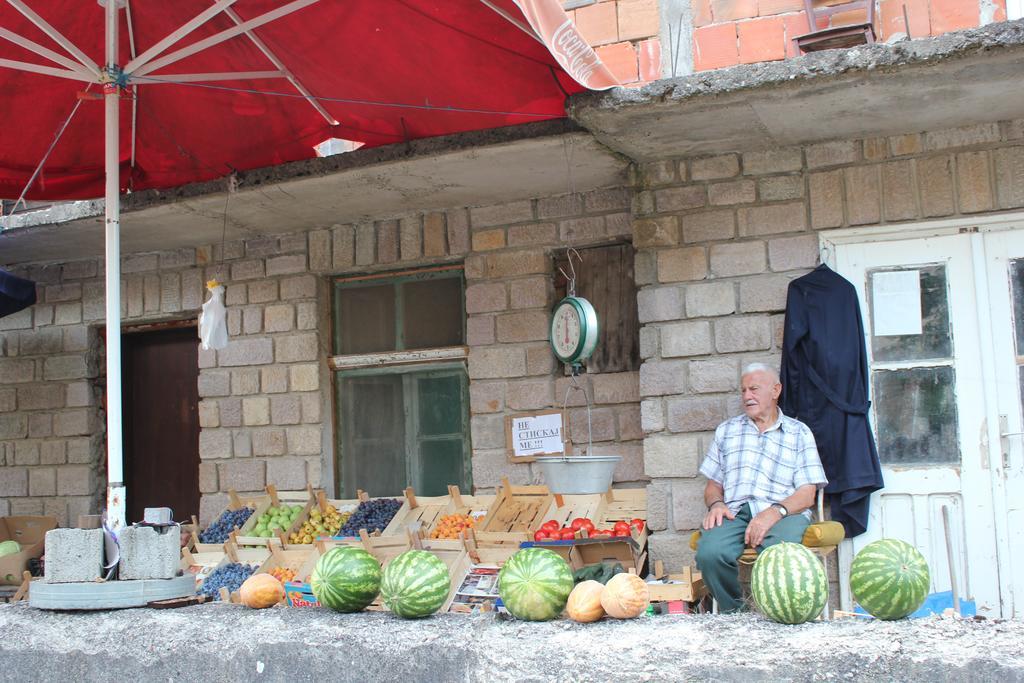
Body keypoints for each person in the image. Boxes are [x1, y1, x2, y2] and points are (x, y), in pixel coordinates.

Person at [695, 363, 828, 613]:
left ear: (776, 390)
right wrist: (716, 503)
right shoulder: (727, 431)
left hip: (784, 511)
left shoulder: (799, 433)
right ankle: (734, 613)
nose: (747, 396)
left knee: (781, 557)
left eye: (754, 389)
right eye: (743, 390)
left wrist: (773, 512)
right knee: (709, 553)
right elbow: (713, 485)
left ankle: (778, 614)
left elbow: (807, 493)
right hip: (735, 510)